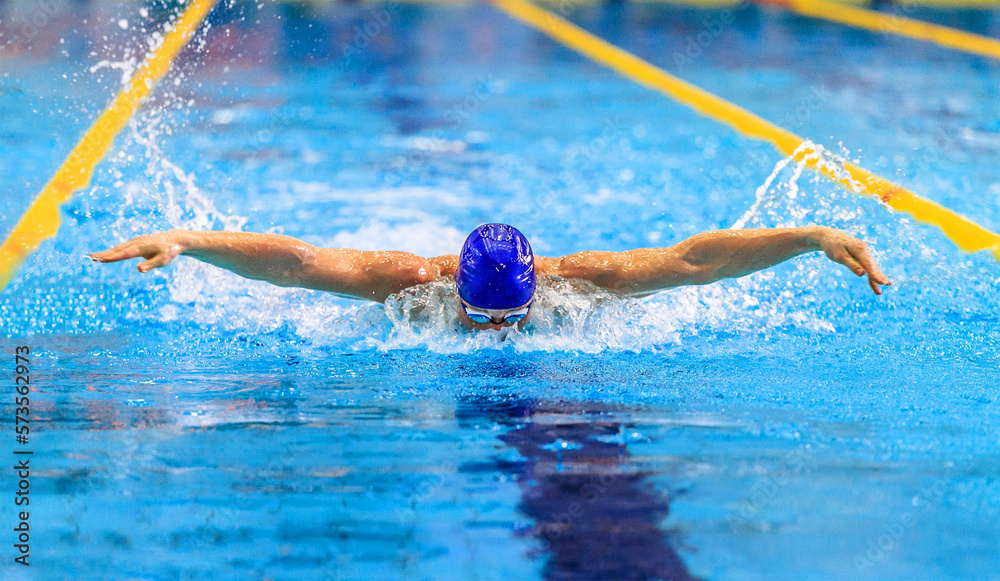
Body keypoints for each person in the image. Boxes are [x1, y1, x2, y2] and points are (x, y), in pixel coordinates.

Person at [90, 223, 891, 331]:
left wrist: (812, 238)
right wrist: (190, 241)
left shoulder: (583, 281)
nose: (498, 332)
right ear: (456, 295)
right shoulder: (407, 283)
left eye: (511, 316)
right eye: (482, 316)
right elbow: (298, 264)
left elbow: (692, 263)